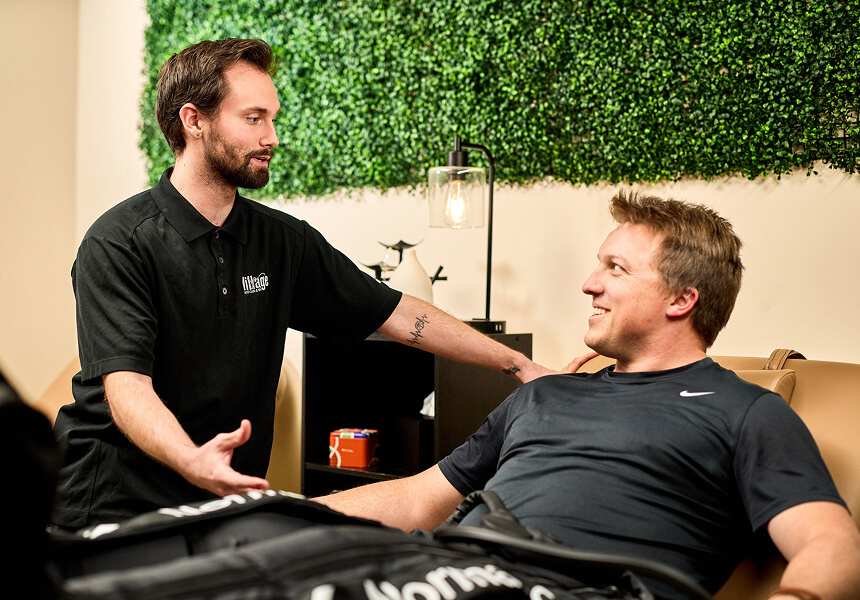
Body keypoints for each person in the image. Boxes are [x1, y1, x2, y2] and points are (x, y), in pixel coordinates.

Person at [51, 38, 560, 530]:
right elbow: (126, 389)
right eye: (253, 118)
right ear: (194, 121)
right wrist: (191, 459)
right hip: (113, 504)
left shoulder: (281, 241)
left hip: (224, 499)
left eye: (272, 118)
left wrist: (515, 363)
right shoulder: (119, 243)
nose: (271, 136)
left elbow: (397, 314)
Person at [316, 192, 860, 600]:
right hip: (441, 577)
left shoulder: (745, 412)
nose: (588, 284)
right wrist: (268, 511)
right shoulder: (543, 398)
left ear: (682, 299)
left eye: (615, 268)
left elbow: (830, 545)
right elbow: (416, 500)